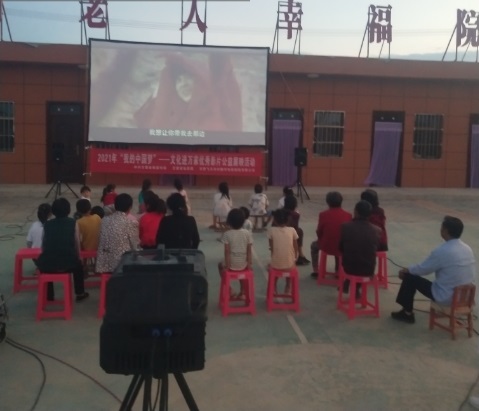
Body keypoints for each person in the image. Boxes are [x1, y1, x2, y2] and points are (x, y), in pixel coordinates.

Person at [391, 215, 476, 324]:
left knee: (410, 277)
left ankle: (407, 313)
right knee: (414, 275)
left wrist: (407, 270)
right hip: (465, 297)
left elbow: (424, 269)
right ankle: (407, 312)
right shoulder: (467, 248)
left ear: (445, 231)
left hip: (446, 296)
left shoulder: (443, 250)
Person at [134, 53, 242, 132]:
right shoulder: (171, 119)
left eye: (188, 78)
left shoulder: (219, 110)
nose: (183, 84)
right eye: (179, 80)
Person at [35, 198, 89, 302]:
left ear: (53, 211)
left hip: (48, 264)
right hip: (69, 263)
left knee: (45, 265)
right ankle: (80, 293)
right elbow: (77, 243)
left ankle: (49, 296)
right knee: (78, 267)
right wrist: (79, 258)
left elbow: (43, 245)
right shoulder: (73, 223)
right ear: (68, 210)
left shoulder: (47, 224)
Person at [339, 200, 381, 299]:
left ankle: (349, 284)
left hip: (349, 268)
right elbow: (376, 248)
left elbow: (341, 248)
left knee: (353, 258)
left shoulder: (345, 227)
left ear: (356, 212)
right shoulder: (377, 230)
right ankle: (355, 289)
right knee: (362, 257)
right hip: (368, 270)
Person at [310, 191, 352, 278]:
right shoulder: (348, 215)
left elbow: (319, 231)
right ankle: (338, 270)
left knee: (314, 246)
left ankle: (316, 269)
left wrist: (321, 239)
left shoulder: (323, 215)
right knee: (339, 245)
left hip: (326, 245)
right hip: (342, 246)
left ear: (328, 202)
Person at [95, 193, 140, 273]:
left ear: (115, 205)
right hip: (121, 265)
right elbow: (135, 245)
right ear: (130, 207)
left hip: (103, 264)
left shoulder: (104, 220)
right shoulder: (130, 223)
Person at [218, 208, 253, 299]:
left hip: (231, 265)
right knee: (242, 271)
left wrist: (227, 265)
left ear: (229, 221)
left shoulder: (227, 234)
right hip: (243, 264)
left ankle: (230, 290)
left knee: (220, 265)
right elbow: (249, 251)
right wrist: (249, 264)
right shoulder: (247, 234)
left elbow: (227, 252)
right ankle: (243, 291)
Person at [267, 209, 299, 294]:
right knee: (290, 265)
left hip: (276, 264)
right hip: (290, 265)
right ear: (288, 220)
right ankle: (288, 286)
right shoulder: (292, 230)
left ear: (274, 220)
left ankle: (274, 287)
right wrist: (295, 258)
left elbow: (272, 248)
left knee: (273, 266)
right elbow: (296, 247)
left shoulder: (271, 231)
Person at [283, 195, 310, 265]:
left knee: (298, 231)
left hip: (278, 233)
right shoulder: (295, 214)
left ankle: (300, 255)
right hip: (289, 234)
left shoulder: (281, 213)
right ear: (294, 205)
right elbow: (295, 227)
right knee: (299, 231)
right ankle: (300, 255)